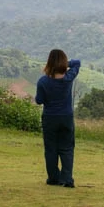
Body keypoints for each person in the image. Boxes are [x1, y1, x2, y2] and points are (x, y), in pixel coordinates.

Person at [34, 49, 80, 187]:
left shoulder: (43, 81)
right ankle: (66, 179)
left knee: (51, 149)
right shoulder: (68, 78)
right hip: (66, 116)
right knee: (66, 148)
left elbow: (39, 100)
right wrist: (65, 64)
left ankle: (53, 177)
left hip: (50, 117)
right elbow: (77, 63)